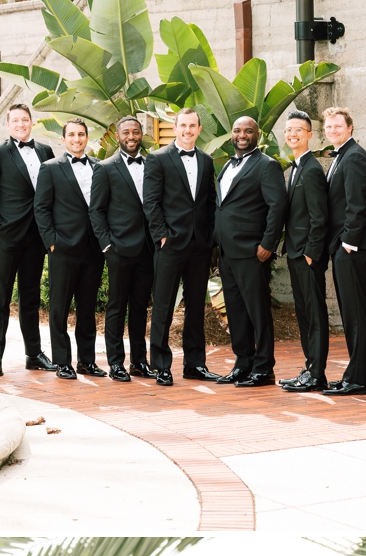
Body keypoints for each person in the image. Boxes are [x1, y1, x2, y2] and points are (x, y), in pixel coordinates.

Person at [144, 107, 226, 388]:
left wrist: (211, 238)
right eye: (183, 126)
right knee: (164, 307)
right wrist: (162, 236)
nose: (188, 130)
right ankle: (161, 366)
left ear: (199, 130)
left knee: (195, 307)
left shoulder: (205, 160)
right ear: (175, 128)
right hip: (170, 244)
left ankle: (195, 365)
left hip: (199, 246)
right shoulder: (157, 159)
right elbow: (151, 202)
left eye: (193, 126)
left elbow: (209, 201)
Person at [0, 103, 54, 377]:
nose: (21, 124)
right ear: (8, 125)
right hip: (7, 237)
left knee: (31, 298)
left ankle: (34, 354)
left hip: (36, 237)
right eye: (15, 120)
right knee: (0, 298)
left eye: (25, 120)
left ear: (32, 122)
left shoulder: (45, 151)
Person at [215, 116, 287, 389]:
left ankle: (263, 368)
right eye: (237, 130)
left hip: (251, 251)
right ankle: (242, 363)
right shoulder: (227, 165)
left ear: (258, 134)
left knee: (258, 311)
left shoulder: (267, 166)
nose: (242, 135)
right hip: (227, 252)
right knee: (235, 311)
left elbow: (276, 206)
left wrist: (268, 244)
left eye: (248, 131)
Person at [33, 119, 105, 382]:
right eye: (72, 135)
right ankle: (62, 361)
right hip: (62, 248)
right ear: (63, 140)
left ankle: (87, 361)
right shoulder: (51, 168)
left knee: (87, 307)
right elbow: (41, 208)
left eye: (81, 134)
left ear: (87, 138)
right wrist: (51, 241)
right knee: (59, 308)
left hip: (94, 248)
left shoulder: (100, 167)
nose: (77, 139)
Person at [88, 115, 155, 382]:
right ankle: (116, 362)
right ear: (118, 136)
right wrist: (107, 245)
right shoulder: (105, 168)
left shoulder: (151, 164)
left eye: (136, 132)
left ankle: (140, 361)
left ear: (141, 135)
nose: (131, 136)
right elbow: (96, 210)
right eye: (126, 132)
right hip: (118, 249)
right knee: (116, 307)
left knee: (140, 307)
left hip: (147, 249)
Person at [323, 107, 366, 396]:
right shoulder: (343, 155)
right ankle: (356, 375)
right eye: (328, 126)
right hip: (346, 246)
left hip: (352, 248)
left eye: (337, 126)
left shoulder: (354, 157)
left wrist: (348, 243)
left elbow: (357, 205)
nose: (332, 130)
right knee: (351, 314)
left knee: (356, 314)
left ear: (350, 127)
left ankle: (358, 379)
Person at [278, 112, 331, 396]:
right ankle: (310, 367)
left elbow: (319, 217)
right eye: (288, 130)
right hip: (296, 253)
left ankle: (317, 374)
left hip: (307, 256)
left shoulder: (311, 169)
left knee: (314, 314)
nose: (292, 134)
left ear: (309, 134)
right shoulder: (296, 167)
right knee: (304, 316)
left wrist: (311, 253)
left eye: (298, 130)